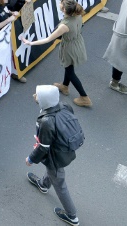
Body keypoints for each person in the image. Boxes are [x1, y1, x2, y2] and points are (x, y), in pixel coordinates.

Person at [26, 85, 81, 226]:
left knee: (59, 182)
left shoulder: (46, 121)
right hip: (65, 149)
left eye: (38, 95)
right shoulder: (64, 106)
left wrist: (31, 159)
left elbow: (43, 147)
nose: (34, 96)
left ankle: (72, 215)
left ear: (45, 100)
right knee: (53, 171)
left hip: (55, 156)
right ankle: (43, 184)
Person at [22, 0, 91, 107]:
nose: (59, 3)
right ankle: (64, 86)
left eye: (61, 4)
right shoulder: (77, 14)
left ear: (64, 10)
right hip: (77, 43)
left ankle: (84, 97)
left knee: (70, 71)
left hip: (69, 48)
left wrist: (31, 43)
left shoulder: (64, 25)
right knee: (69, 67)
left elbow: (48, 39)